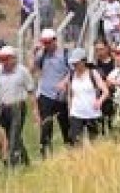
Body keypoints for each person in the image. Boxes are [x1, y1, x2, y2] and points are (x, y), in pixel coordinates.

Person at [0, 46, 32, 167]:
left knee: (14, 136)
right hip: (4, 108)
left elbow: (31, 91)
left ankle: (12, 166)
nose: (3, 62)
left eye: (6, 59)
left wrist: (36, 112)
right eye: (2, 59)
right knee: (11, 136)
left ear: (13, 59)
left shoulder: (23, 72)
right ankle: (26, 161)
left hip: (18, 107)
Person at [31, 28, 71, 158]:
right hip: (45, 95)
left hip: (60, 96)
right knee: (46, 127)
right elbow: (32, 70)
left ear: (55, 40)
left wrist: (64, 82)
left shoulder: (65, 54)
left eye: (48, 42)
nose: (46, 45)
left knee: (65, 125)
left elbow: (73, 71)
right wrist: (34, 54)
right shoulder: (42, 54)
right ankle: (46, 155)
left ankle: (71, 151)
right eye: (44, 42)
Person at [64, 49, 108, 146]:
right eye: (73, 63)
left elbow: (105, 91)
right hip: (76, 114)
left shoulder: (93, 73)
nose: (74, 65)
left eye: (76, 63)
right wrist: (70, 110)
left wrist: (99, 101)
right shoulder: (72, 74)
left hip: (93, 114)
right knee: (76, 143)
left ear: (83, 61)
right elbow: (70, 94)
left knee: (96, 143)